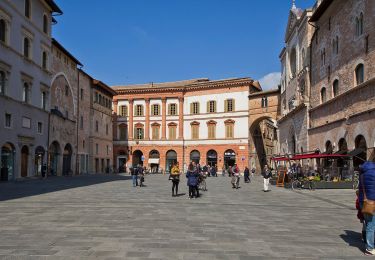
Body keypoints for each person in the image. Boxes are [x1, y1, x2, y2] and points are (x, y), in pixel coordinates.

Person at [358, 160, 375, 255]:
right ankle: (369, 248)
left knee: (368, 222)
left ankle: (368, 241)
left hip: (363, 201)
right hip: (372, 202)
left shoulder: (362, 174)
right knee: (371, 225)